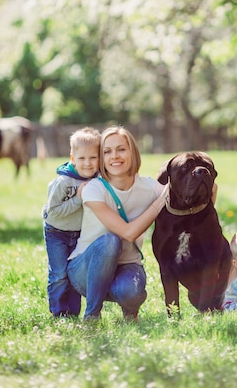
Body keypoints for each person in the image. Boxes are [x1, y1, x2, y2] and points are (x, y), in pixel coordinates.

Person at [67, 125, 168, 321]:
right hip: (84, 272)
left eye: (121, 149)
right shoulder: (94, 189)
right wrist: (158, 205)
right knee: (111, 241)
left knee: (132, 291)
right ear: (101, 158)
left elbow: (207, 190)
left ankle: (130, 311)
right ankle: (91, 316)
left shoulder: (149, 187)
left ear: (133, 152)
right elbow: (128, 233)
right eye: (107, 151)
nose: (115, 156)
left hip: (127, 266)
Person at [43, 126, 101, 317]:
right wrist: (77, 199)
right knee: (60, 275)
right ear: (73, 158)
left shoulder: (98, 180)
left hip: (80, 234)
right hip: (57, 233)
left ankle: (73, 313)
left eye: (93, 158)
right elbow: (52, 213)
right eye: (82, 158)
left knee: (74, 274)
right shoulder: (63, 182)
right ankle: (59, 313)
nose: (87, 163)